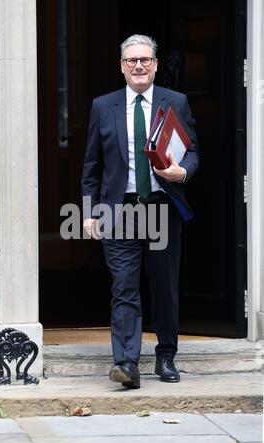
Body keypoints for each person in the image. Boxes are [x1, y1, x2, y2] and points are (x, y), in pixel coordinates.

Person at [82, 34, 199, 389]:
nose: (138, 66)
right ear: (121, 66)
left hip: (161, 208)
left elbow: (192, 151)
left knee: (164, 286)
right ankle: (127, 363)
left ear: (155, 64)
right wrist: (89, 213)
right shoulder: (103, 106)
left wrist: (182, 171)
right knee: (124, 286)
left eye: (145, 60)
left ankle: (165, 357)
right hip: (119, 210)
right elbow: (91, 167)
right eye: (131, 61)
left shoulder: (175, 101)